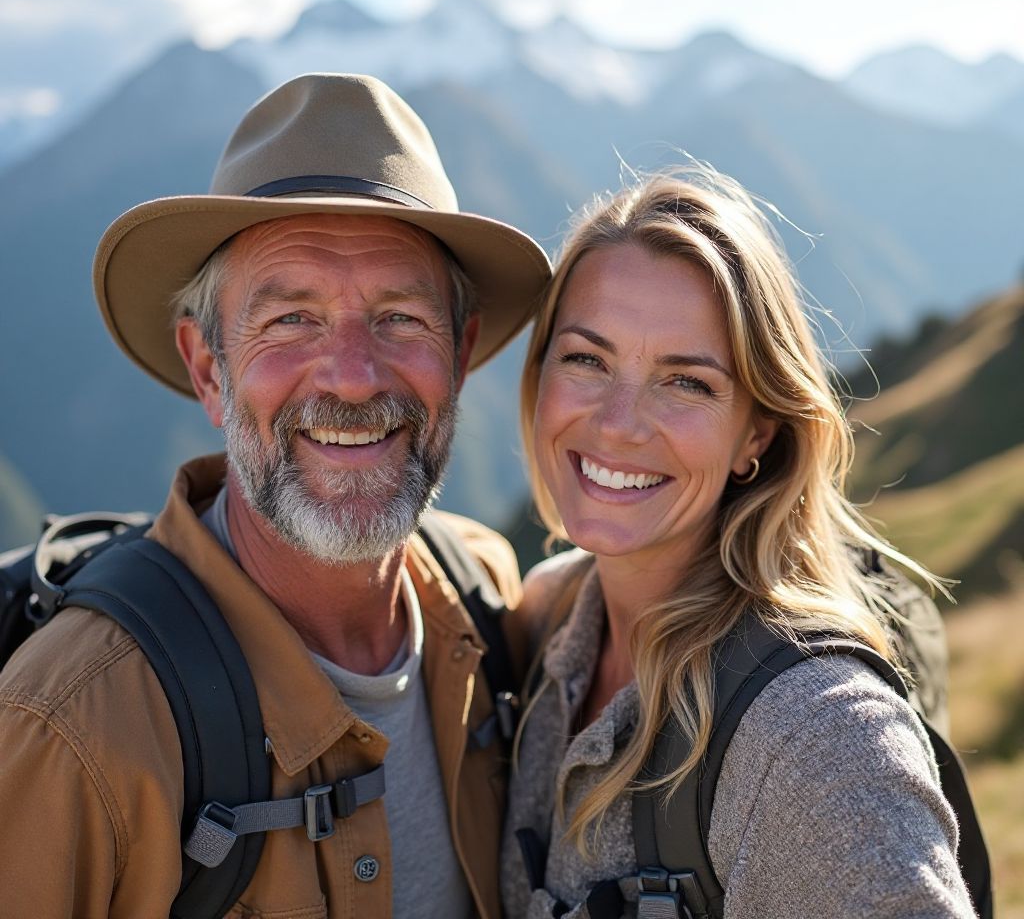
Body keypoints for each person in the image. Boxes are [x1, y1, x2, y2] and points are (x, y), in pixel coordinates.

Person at [0, 73, 551, 918]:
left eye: (401, 318)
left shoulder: (483, 599)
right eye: (291, 320)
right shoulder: (72, 727)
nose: (354, 378)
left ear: (462, 352)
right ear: (208, 369)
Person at [502, 167, 977, 918]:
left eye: (686, 382)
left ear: (756, 433)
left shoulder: (820, 735)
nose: (619, 423)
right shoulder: (544, 622)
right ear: (540, 374)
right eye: (587, 359)